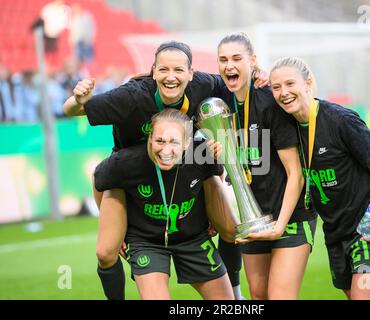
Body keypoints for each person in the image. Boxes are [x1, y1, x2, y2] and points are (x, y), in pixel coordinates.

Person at [63, 40, 265, 299]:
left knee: (230, 228)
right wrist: (77, 99)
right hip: (132, 173)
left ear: (191, 74)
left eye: (179, 71)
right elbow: (71, 111)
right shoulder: (130, 97)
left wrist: (259, 74)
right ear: (153, 71)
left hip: (186, 164)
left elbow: (239, 82)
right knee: (105, 251)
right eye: (164, 70)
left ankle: (236, 294)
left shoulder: (204, 87)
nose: (171, 77)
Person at [269, 56, 370, 300]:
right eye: (276, 87)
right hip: (335, 234)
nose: (283, 92)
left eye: (290, 84)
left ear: (308, 83)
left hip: (366, 229)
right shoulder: (287, 128)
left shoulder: (341, 120)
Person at [214, 33, 317, 300]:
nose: (229, 65)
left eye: (237, 58)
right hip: (253, 218)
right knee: (258, 295)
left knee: (280, 296)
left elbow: (296, 174)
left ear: (253, 61)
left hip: (290, 217)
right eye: (223, 60)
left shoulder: (269, 100)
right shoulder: (219, 98)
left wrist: (280, 225)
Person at [93, 108, 234, 299]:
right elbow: (98, 179)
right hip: (146, 242)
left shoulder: (202, 153)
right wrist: (113, 226)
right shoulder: (126, 161)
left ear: (186, 143)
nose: (166, 150)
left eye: (174, 142)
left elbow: (216, 175)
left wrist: (212, 215)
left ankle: (238, 292)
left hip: (193, 238)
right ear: (150, 138)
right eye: (159, 141)